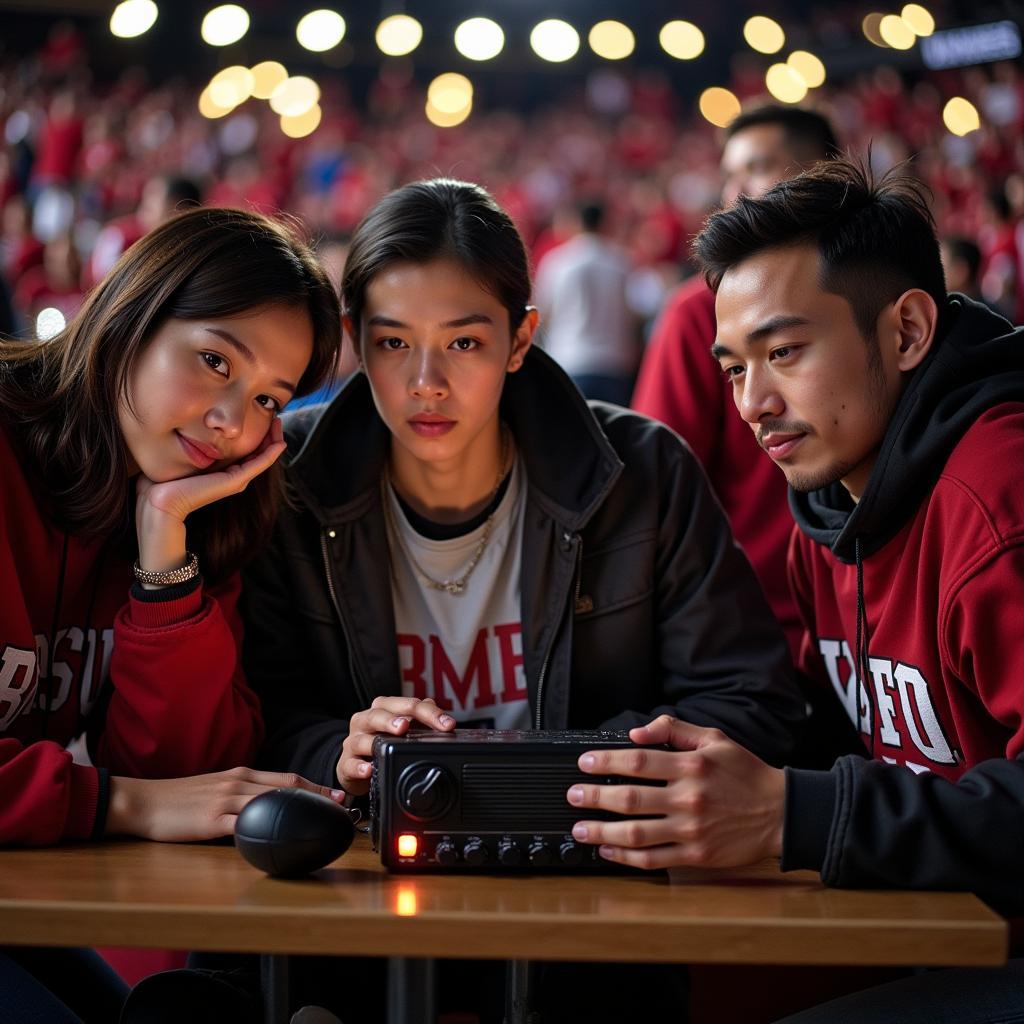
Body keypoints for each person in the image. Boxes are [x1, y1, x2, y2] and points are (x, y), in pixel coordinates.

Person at [234, 177, 805, 1023]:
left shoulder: (643, 472)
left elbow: (752, 704)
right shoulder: (291, 484)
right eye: (393, 344)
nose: (426, 382)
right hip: (360, 900)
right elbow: (257, 713)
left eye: (463, 344)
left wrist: (549, 779)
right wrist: (339, 753)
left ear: (519, 341)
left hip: (593, 907)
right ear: (355, 340)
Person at [570, 160, 1024, 1022]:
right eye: (734, 368)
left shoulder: (1000, 494)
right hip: (926, 922)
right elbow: (830, 730)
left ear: (908, 332)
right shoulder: (830, 501)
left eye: (784, 352)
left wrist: (798, 815)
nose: (753, 403)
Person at [1, 205, 344, 1022]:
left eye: (269, 397)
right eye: (214, 360)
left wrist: (164, 560)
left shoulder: (184, 514)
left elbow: (187, 776)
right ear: (132, 316)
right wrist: (116, 801)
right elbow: (156, 798)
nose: (233, 422)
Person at [632, 105, 840, 656]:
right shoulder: (696, 315)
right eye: (729, 175)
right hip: (755, 636)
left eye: (757, 168)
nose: (735, 192)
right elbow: (659, 489)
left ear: (827, 174)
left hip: (881, 631)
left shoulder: (875, 298)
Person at [532, 198, 639, 405]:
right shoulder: (621, 262)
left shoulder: (558, 261)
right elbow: (632, 313)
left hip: (570, 358)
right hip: (614, 361)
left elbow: (542, 313)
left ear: (577, 222)